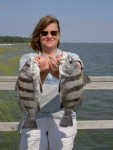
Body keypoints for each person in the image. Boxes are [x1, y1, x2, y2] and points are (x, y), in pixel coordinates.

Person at [19, 15, 84, 150]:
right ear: (39, 35)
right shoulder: (28, 59)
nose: (49, 36)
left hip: (62, 117)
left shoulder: (69, 57)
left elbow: (76, 67)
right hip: (34, 118)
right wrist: (42, 72)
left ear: (59, 35)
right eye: (44, 32)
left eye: (53, 32)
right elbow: (27, 87)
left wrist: (58, 72)